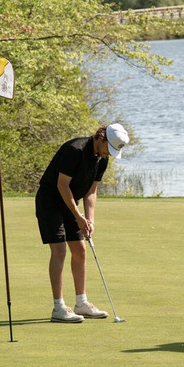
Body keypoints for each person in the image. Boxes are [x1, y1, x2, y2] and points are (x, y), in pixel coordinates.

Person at [35, 123, 130, 323]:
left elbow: (91, 192)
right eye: (109, 149)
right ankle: (59, 307)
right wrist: (78, 216)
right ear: (101, 138)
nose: (109, 154)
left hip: (71, 202)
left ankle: (81, 303)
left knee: (80, 250)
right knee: (59, 250)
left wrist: (89, 220)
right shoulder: (75, 150)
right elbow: (62, 185)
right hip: (50, 201)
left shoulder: (102, 160)